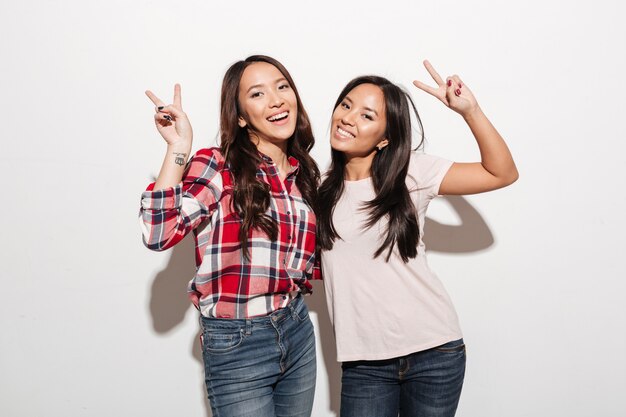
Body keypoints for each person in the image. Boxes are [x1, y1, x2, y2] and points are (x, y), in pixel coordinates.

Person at [317, 60, 519, 417]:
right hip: (364, 364)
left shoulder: (412, 172)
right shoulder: (316, 186)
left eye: (367, 115)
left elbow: (500, 172)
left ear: (385, 138)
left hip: (434, 352)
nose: (347, 117)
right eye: (346, 105)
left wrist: (470, 112)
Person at [139, 55, 320, 417]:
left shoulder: (304, 175)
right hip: (238, 341)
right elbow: (158, 233)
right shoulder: (218, 166)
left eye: (282, 87)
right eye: (257, 94)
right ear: (239, 116)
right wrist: (178, 148)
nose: (276, 99)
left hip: (297, 328)